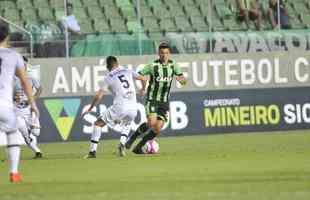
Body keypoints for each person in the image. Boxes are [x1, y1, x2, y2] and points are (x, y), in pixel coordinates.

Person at [125, 43, 187, 154]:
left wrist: (181, 80)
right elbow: (139, 75)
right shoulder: (152, 65)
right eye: (162, 53)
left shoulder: (174, 65)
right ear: (158, 53)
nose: (164, 55)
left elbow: (183, 80)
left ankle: (139, 147)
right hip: (152, 98)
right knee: (151, 123)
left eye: (166, 53)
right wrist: (143, 87)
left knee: (158, 127)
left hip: (164, 101)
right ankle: (132, 139)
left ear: (169, 54)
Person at [82, 56, 147, 157]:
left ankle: (92, 152)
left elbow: (98, 95)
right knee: (127, 122)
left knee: (98, 124)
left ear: (108, 66)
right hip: (133, 107)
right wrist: (143, 89)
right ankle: (122, 144)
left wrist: (90, 108)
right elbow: (143, 78)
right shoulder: (127, 70)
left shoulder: (109, 77)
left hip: (120, 106)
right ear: (117, 63)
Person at [0, 21, 39, 183]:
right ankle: (14, 172)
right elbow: (25, 81)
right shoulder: (14, 56)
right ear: (7, 36)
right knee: (12, 132)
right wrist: (33, 104)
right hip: (4, 105)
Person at [14, 56, 43, 159]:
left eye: (25, 64)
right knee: (23, 131)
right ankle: (38, 151)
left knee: (36, 132)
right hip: (16, 109)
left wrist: (32, 99)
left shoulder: (31, 77)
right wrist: (13, 97)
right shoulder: (11, 78)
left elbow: (39, 89)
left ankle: (30, 133)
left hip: (29, 108)